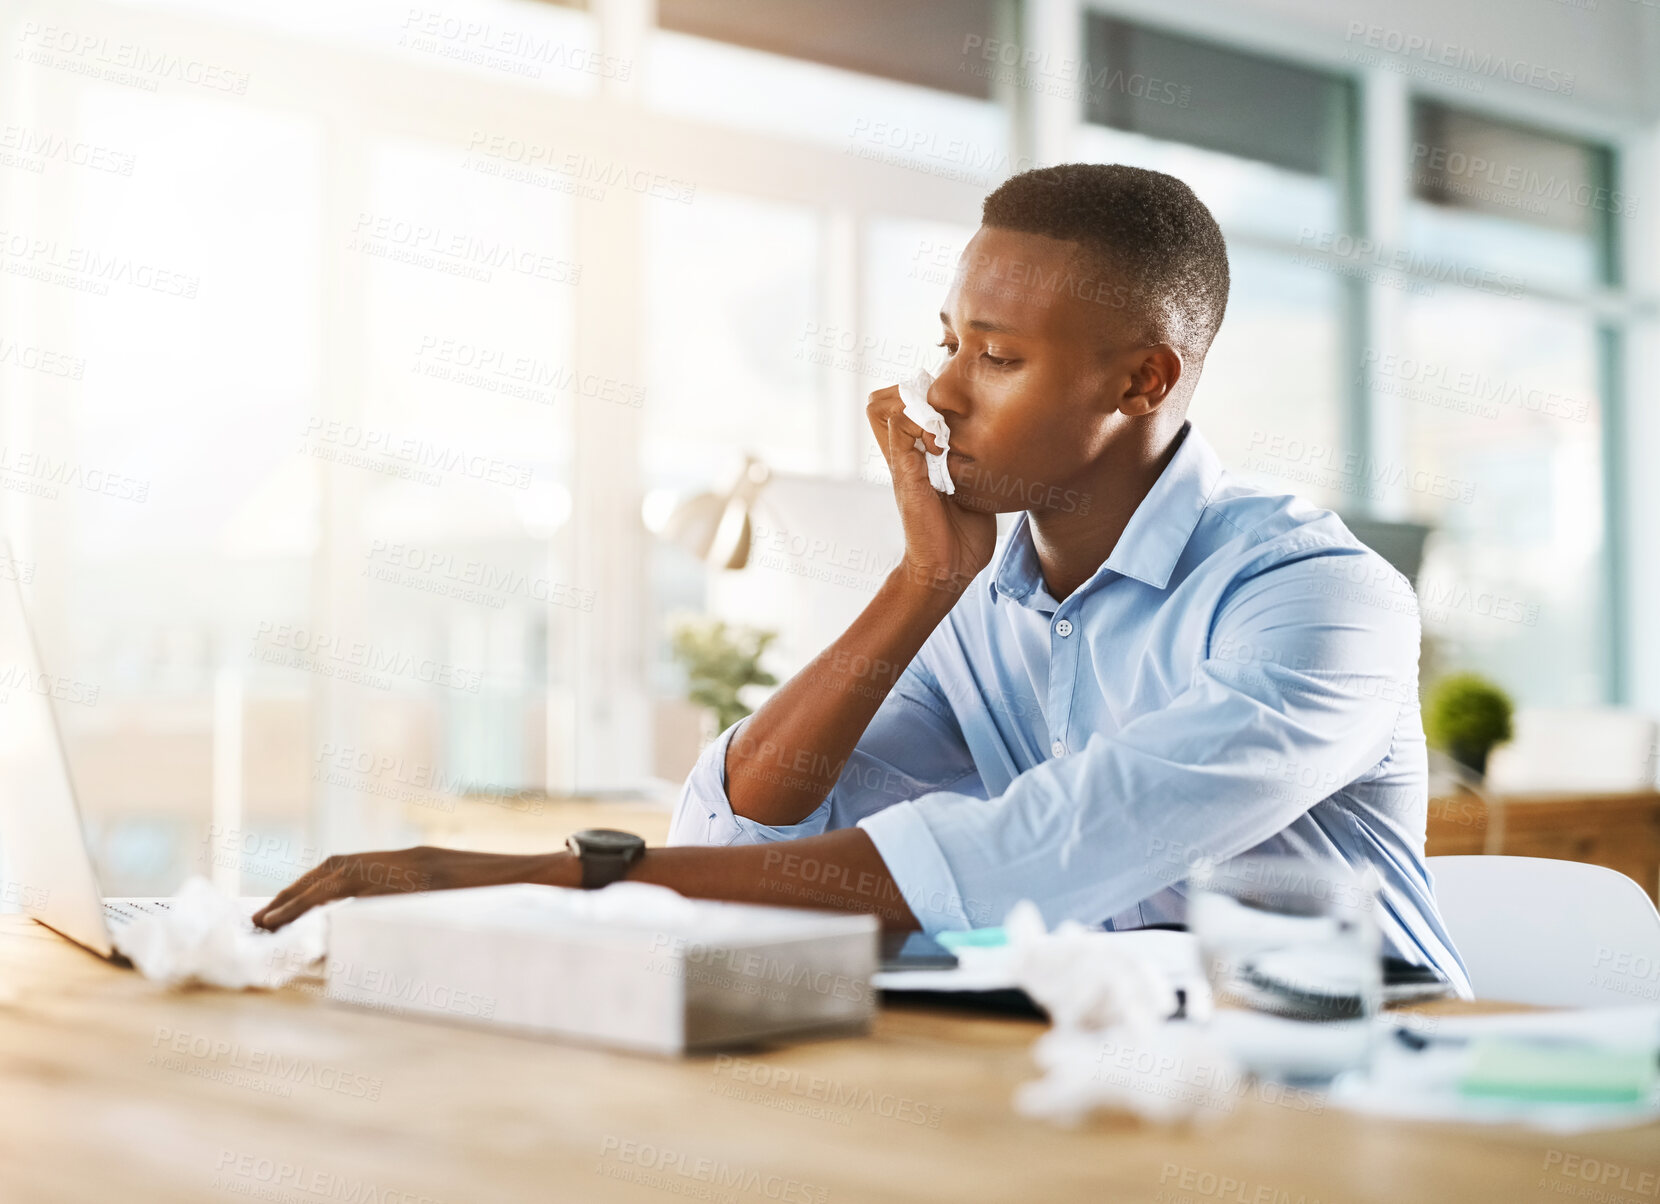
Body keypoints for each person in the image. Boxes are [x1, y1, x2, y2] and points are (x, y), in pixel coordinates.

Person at [254, 163, 1469, 997]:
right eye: (949, 341)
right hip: (1130, 1067)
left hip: (1380, 1074)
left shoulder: (1316, 598)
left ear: (1140, 383)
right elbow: (743, 831)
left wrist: (562, 871)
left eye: (994, 356)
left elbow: (1036, 853)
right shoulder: (985, 598)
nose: (941, 390)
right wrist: (919, 584)